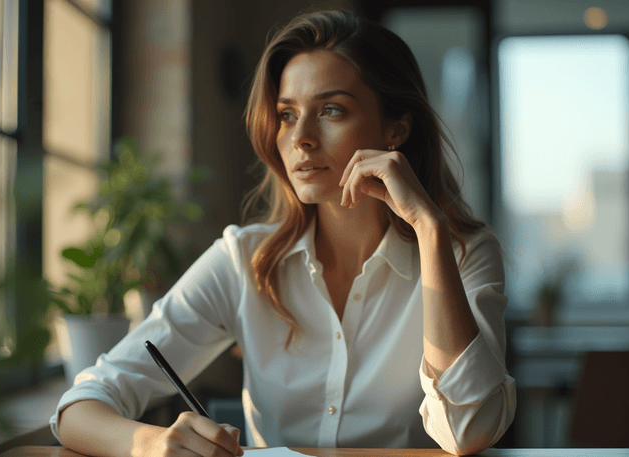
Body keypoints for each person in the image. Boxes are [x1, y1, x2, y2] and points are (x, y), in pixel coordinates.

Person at [52, 9, 515, 457]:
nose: (301, 138)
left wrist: (429, 229)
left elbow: (468, 432)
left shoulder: (464, 252)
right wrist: (148, 445)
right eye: (288, 114)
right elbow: (79, 407)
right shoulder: (244, 260)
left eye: (332, 110)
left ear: (396, 129)